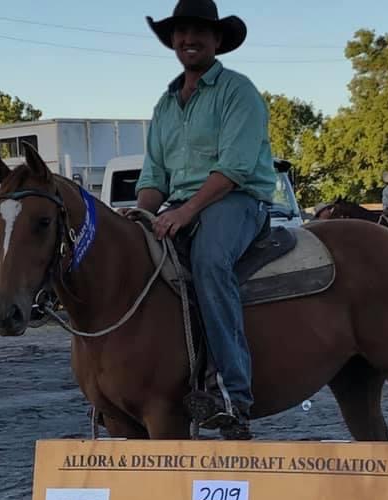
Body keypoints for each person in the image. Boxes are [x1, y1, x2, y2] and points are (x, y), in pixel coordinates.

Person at [135, 0, 275, 440]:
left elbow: (234, 168)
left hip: (236, 200)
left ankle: (233, 395)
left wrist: (185, 211)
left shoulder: (238, 92)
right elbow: (154, 176)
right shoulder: (165, 105)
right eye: (180, 32)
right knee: (132, 261)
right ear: (172, 40)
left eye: (198, 31)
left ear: (217, 40)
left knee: (211, 262)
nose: (188, 39)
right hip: (180, 205)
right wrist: (140, 214)